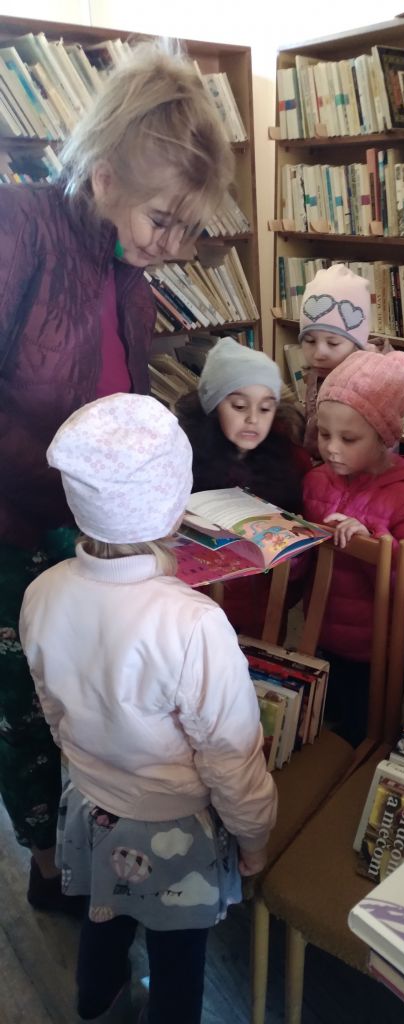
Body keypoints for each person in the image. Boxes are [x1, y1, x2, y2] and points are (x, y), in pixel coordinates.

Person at [0, 41, 233, 912]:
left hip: (91, 525)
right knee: (27, 703)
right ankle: (48, 865)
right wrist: (73, 483)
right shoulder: (17, 227)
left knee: (101, 697)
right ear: (103, 176)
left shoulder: (126, 269)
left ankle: (94, 843)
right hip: (14, 524)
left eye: (186, 228)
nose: (172, 247)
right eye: (163, 220)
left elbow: (124, 401)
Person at [19, 394, 276, 1024]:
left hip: (90, 807)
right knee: (179, 954)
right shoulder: (193, 622)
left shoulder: (41, 593)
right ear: (175, 507)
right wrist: (255, 837)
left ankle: (97, 1007)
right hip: (174, 829)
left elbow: (53, 708)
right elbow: (231, 756)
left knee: (103, 921)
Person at [303, 350, 404, 745]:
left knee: (370, 732)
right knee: (323, 725)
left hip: (378, 647)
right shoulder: (316, 481)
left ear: (384, 437)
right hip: (323, 631)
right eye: (324, 434)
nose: (332, 448)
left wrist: (374, 543)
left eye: (349, 438)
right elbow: (307, 560)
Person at [176, 337, 312, 634]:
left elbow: (300, 542)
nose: (253, 419)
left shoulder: (291, 462)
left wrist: (293, 558)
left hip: (262, 612)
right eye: (239, 406)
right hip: (196, 611)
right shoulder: (182, 458)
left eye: (265, 408)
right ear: (213, 405)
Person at [299, 263, 391, 460]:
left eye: (333, 343)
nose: (319, 353)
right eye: (310, 341)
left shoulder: (373, 382)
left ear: (357, 344)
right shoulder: (322, 369)